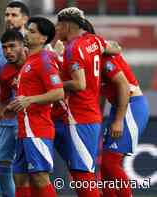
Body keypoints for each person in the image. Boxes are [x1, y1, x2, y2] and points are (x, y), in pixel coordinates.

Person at [55, 7, 122, 197]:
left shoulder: (72, 49)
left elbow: (79, 83)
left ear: (67, 25)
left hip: (80, 116)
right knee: (85, 171)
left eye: (58, 26)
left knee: (82, 174)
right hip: (92, 115)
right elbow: (116, 48)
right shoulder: (95, 41)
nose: (56, 30)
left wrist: (53, 84)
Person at [83, 19, 150, 197]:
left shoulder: (103, 56)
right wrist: (97, 118)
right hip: (119, 107)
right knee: (106, 165)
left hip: (130, 106)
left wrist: (119, 120)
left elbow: (124, 87)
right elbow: (102, 93)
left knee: (110, 162)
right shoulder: (89, 60)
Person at [6, 17, 63, 197]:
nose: (26, 34)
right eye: (27, 30)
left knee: (39, 177)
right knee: (20, 177)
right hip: (25, 129)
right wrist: (14, 106)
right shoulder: (31, 61)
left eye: (32, 32)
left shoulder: (44, 61)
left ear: (43, 38)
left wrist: (29, 100)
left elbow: (58, 92)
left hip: (38, 128)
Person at [0, 2, 30, 196]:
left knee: (32, 170)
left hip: (32, 117)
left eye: (14, 14)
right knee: (3, 167)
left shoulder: (39, 44)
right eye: (6, 14)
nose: (9, 18)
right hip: (8, 117)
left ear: (25, 18)